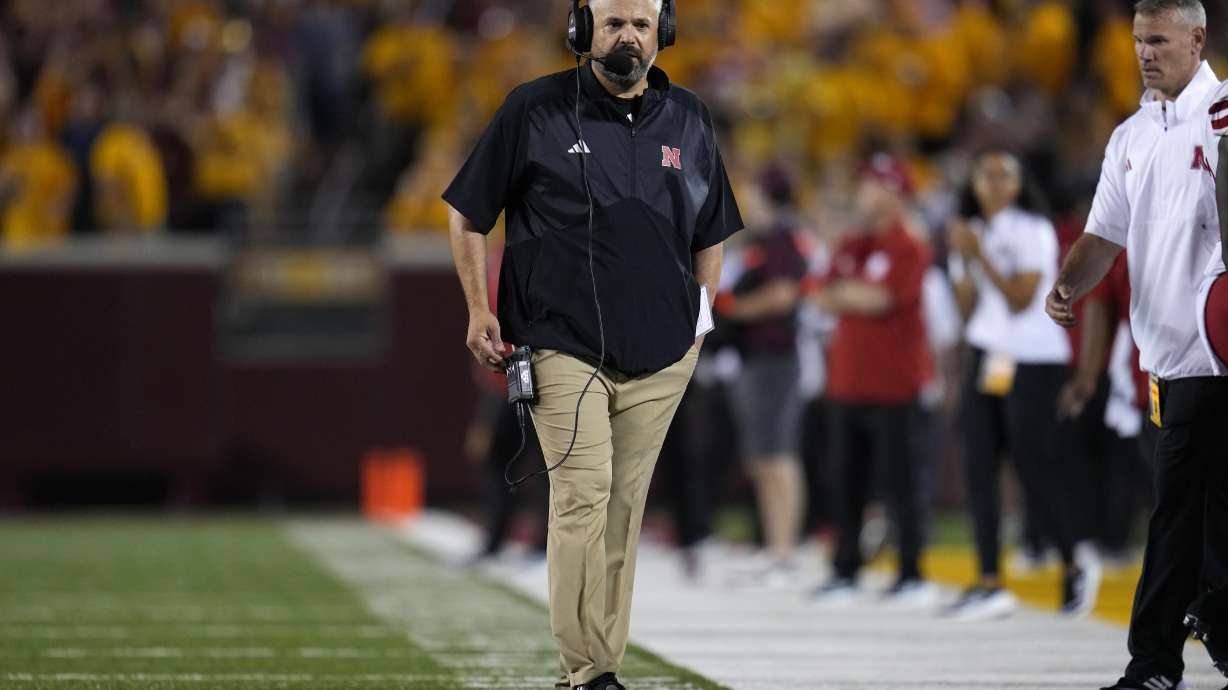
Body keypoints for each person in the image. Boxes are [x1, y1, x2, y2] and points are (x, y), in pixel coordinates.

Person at [442, 1, 742, 688]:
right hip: (559, 340)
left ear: (662, 32)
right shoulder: (534, 109)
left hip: (664, 350)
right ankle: (586, 672)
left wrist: (700, 319)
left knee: (623, 510)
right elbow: (467, 213)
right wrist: (477, 308)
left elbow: (713, 230)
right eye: (613, 23)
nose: (628, 35)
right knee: (583, 495)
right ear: (583, 32)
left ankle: (599, 666)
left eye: (640, 23)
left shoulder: (691, 116)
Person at [1045, 2, 1227, 687]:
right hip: (1164, 360)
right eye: (1137, 41)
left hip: (1216, 353)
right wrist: (1068, 284)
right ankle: (1220, 628)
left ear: (1197, 39)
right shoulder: (1131, 135)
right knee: (1209, 513)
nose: (1145, 53)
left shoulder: (1226, 119)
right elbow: (1103, 236)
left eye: (1158, 40)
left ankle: (1153, 662)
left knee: (1177, 507)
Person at [946, 151, 1100, 621]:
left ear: (1017, 185)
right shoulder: (973, 231)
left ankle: (1074, 562)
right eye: (984, 173)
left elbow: (1019, 299)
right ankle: (990, 579)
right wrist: (964, 261)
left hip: (1031, 357)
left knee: (1032, 465)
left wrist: (980, 257)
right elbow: (968, 310)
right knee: (978, 465)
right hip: (989, 354)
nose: (992, 182)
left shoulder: (1031, 228)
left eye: (1003, 175)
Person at [807, 155, 935, 606]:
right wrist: (848, 295)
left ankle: (912, 574)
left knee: (903, 485)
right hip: (847, 384)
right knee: (846, 483)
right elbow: (820, 295)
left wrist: (847, 294)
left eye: (875, 184)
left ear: (896, 193)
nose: (865, 192)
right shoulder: (854, 243)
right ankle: (845, 570)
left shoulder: (910, 245)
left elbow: (882, 299)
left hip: (896, 385)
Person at [716, 167, 809, 586]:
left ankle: (786, 552)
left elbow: (784, 294)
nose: (745, 202)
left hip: (776, 358)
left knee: (779, 455)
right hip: (752, 358)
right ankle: (774, 548)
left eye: (751, 193)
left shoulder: (783, 240)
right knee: (761, 459)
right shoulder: (756, 243)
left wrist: (732, 309)